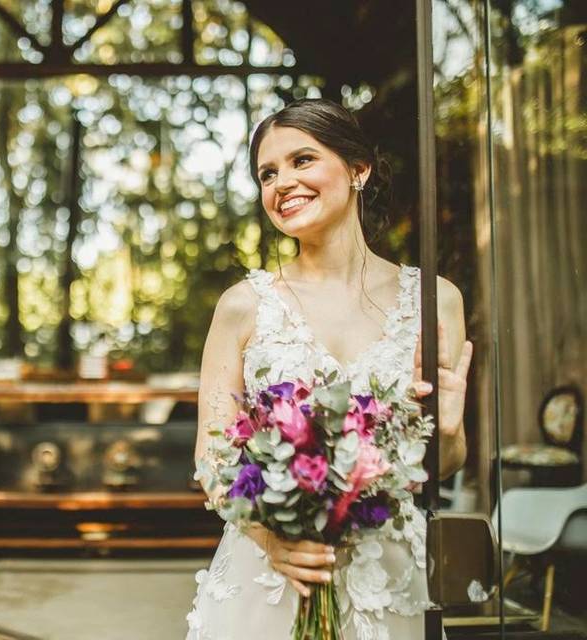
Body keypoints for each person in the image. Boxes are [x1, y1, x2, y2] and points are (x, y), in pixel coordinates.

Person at [186, 98, 473, 639]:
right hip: (270, 578)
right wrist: (274, 543)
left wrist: (450, 432)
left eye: (302, 160)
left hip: (383, 579)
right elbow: (211, 457)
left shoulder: (436, 302)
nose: (281, 183)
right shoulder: (243, 306)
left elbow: (442, 464)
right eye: (267, 173)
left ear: (358, 169)